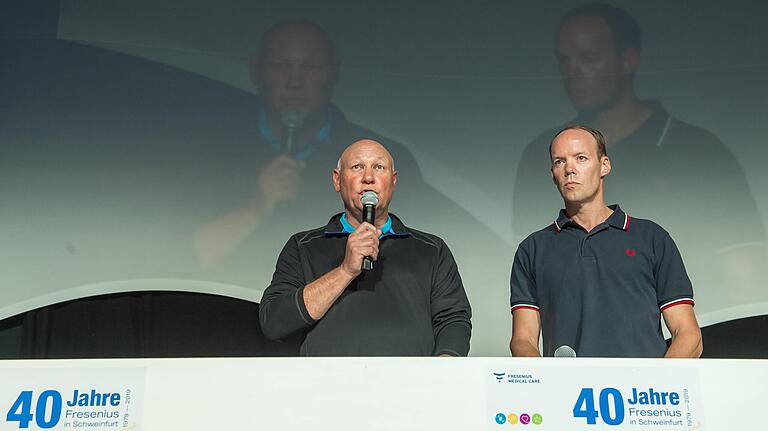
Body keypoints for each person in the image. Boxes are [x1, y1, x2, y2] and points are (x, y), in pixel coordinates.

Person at [511, 4, 765, 307]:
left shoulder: (698, 152)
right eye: (564, 60)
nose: (572, 72)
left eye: (588, 58)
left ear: (628, 60)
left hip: (691, 334)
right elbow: (534, 276)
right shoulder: (539, 155)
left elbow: (746, 276)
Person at [259, 139, 472, 356]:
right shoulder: (303, 246)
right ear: (337, 180)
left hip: (409, 386)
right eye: (357, 167)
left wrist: (442, 374)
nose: (368, 178)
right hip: (327, 386)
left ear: (393, 181)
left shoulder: (431, 250)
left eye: (379, 167)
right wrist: (345, 271)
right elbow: (274, 323)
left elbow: (454, 320)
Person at [509, 125, 702, 358]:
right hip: (569, 391)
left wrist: (656, 386)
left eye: (581, 158)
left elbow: (688, 335)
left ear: (604, 165)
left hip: (642, 391)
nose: (570, 168)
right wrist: (547, 387)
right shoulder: (533, 249)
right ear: (552, 174)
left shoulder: (651, 237)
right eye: (560, 161)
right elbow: (523, 340)